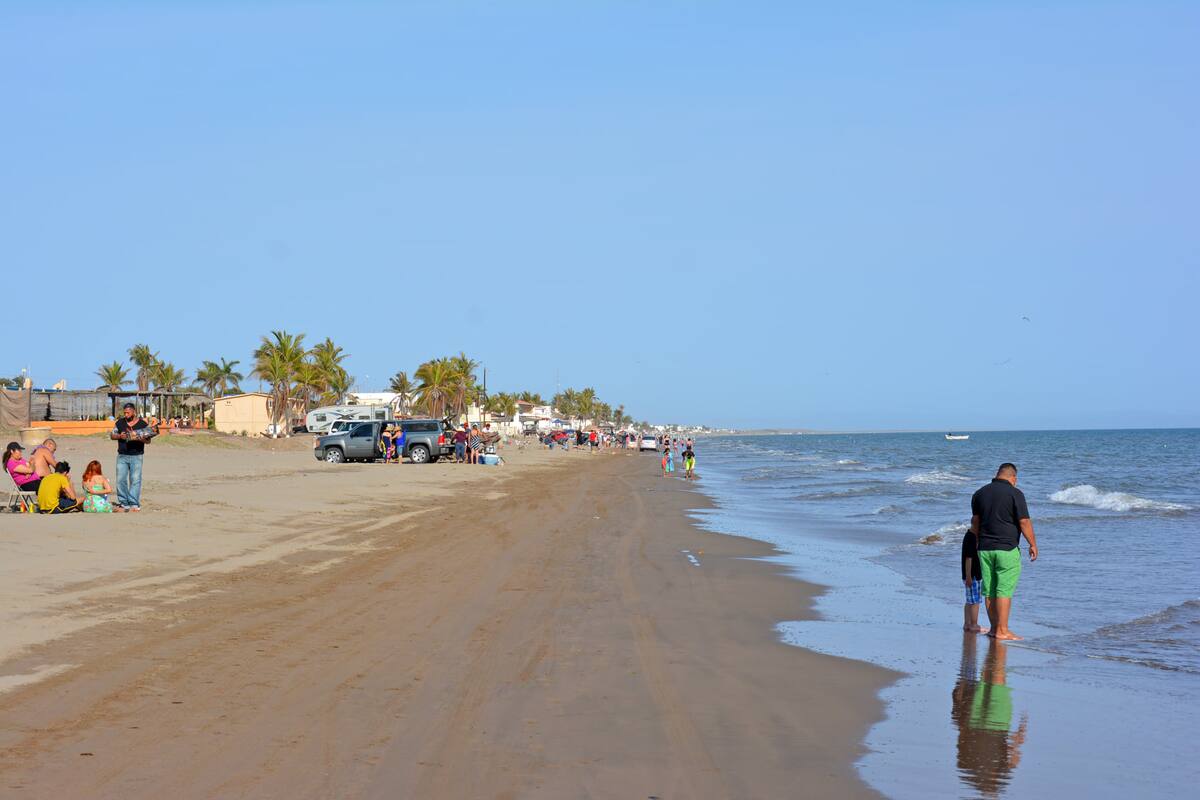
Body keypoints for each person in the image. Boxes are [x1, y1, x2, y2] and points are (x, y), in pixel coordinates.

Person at [970, 463, 1039, 641]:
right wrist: (1032, 544)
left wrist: (978, 540)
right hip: (1007, 548)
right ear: (1013, 478)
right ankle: (1003, 630)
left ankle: (994, 629)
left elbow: (975, 522)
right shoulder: (1016, 494)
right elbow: (1024, 521)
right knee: (1003, 590)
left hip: (984, 549)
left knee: (990, 589)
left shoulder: (980, 493)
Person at [112, 403, 152, 512]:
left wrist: (139, 438)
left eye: (128, 412)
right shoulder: (120, 423)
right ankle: (124, 503)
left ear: (134, 412)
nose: (126, 414)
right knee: (120, 480)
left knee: (135, 480)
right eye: (124, 412)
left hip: (137, 456)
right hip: (122, 456)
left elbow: (148, 441)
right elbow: (112, 435)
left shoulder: (143, 424)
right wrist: (120, 436)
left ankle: (134, 503)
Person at [961, 528, 987, 633]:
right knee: (975, 601)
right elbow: (969, 558)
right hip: (972, 575)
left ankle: (967, 623)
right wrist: (968, 576)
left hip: (970, 574)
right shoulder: (971, 537)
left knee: (969, 600)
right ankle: (974, 624)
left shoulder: (969, 535)